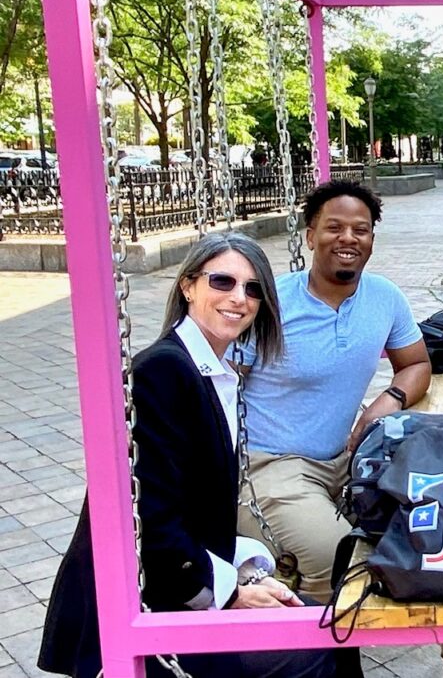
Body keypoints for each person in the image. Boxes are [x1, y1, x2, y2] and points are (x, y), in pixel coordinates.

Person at [38, 232, 348, 678]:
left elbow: (197, 510)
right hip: (145, 599)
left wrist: (247, 567)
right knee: (315, 646)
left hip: (176, 577)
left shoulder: (212, 370)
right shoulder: (162, 372)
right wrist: (229, 593)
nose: (239, 298)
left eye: (254, 288)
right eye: (223, 281)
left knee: (324, 621)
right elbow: (150, 521)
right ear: (188, 286)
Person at [236, 179, 443, 678]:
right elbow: (223, 387)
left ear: (373, 238)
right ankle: (332, 663)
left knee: (442, 535)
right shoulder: (271, 303)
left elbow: (416, 363)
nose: (348, 238)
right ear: (310, 234)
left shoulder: (383, 297)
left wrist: (387, 401)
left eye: (361, 229)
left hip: (350, 458)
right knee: (345, 559)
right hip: (272, 468)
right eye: (333, 227)